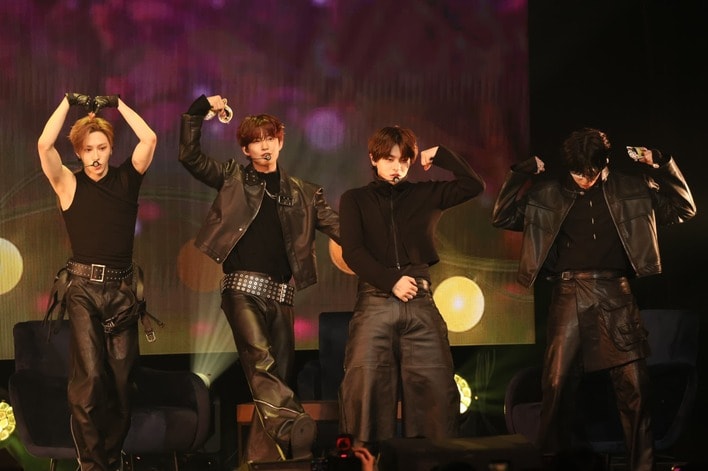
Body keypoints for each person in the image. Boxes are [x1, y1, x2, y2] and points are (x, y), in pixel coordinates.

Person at [491, 127, 696, 471]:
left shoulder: (633, 187)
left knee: (634, 388)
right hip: (568, 293)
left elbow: (683, 209)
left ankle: (641, 467)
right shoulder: (547, 194)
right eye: (578, 173)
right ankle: (552, 464)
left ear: (605, 163)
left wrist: (662, 164)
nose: (585, 179)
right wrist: (520, 173)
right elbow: (502, 216)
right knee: (556, 385)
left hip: (616, 294)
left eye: (592, 172)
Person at [178, 94, 340, 462]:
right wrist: (200, 108)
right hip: (241, 290)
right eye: (256, 140)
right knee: (260, 362)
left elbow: (342, 230)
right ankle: (296, 422)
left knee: (274, 383)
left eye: (270, 138)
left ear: (280, 142)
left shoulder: (306, 194)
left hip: (282, 297)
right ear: (245, 149)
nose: (264, 145)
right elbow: (189, 156)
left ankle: (264, 460)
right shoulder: (232, 178)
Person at [338, 125, 486, 452]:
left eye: (404, 160)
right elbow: (353, 252)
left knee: (435, 391)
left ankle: (433, 462)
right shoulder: (355, 199)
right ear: (373, 159)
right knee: (366, 390)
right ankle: (366, 463)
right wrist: (390, 281)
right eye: (389, 159)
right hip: (375, 301)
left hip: (419, 301)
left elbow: (473, 185)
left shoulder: (425, 194)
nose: (397, 167)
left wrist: (443, 155)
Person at [37, 93, 157, 471]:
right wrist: (66, 102)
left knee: (122, 384)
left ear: (110, 149)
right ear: (78, 152)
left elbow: (150, 138)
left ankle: (110, 458)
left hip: (122, 293)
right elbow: (44, 145)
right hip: (83, 291)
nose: (95, 156)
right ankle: (92, 464)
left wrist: (118, 104)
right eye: (88, 149)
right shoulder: (68, 184)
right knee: (88, 379)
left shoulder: (127, 179)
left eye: (102, 148)